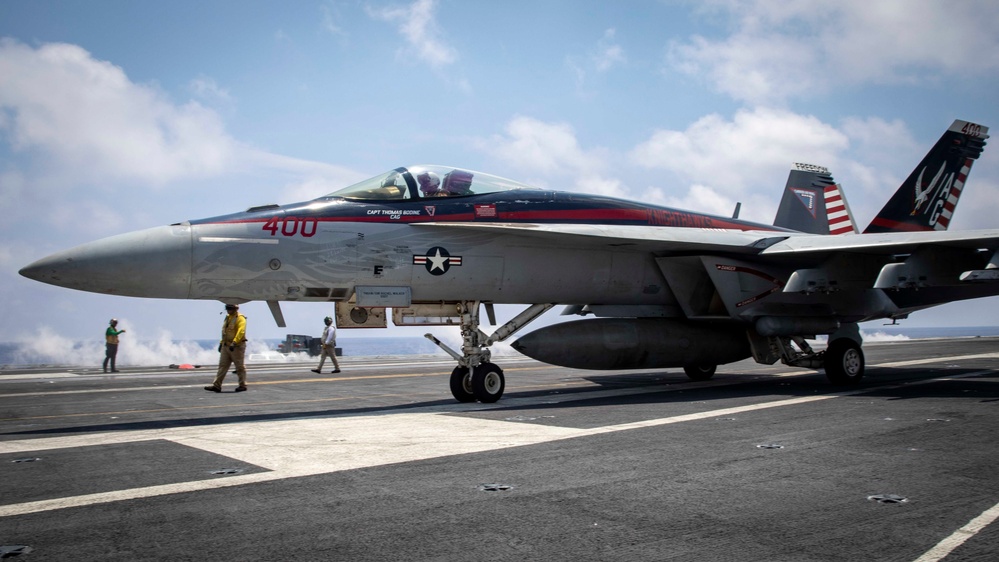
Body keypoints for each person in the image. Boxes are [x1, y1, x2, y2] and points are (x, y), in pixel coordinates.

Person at [205, 303, 248, 392]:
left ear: (236, 309)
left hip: (237, 347)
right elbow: (225, 332)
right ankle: (216, 385)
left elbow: (241, 331)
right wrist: (221, 343)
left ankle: (242, 385)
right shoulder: (228, 318)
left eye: (230, 308)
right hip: (226, 346)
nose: (228, 310)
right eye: (227, 308)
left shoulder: (240, 318)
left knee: (239, 367)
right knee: (222, 366)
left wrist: (234, 342)